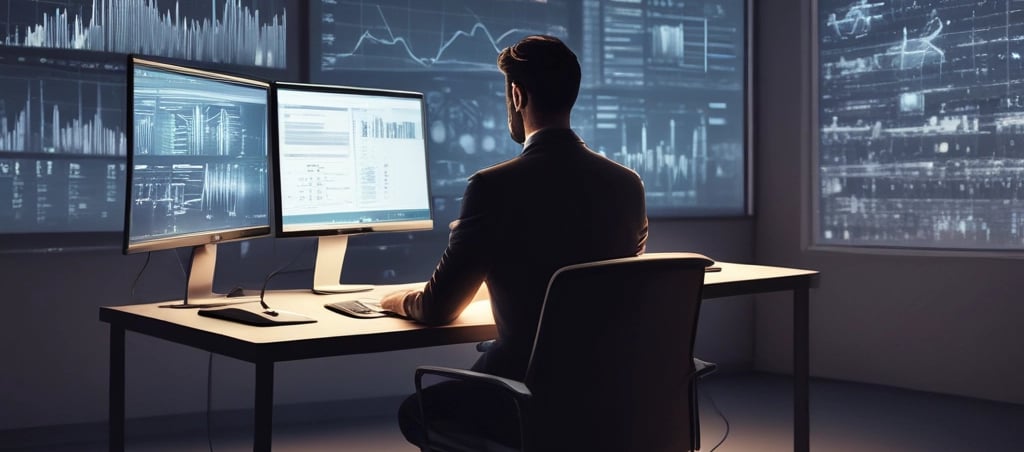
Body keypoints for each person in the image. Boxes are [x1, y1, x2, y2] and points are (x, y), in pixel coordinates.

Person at [379, 34, 649, 448]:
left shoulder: (492, 186)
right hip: (610, 397)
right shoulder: (628, 184)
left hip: (527, 397)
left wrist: (395, 299)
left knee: (417, 410)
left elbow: (437, 309)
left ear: (517, 94)